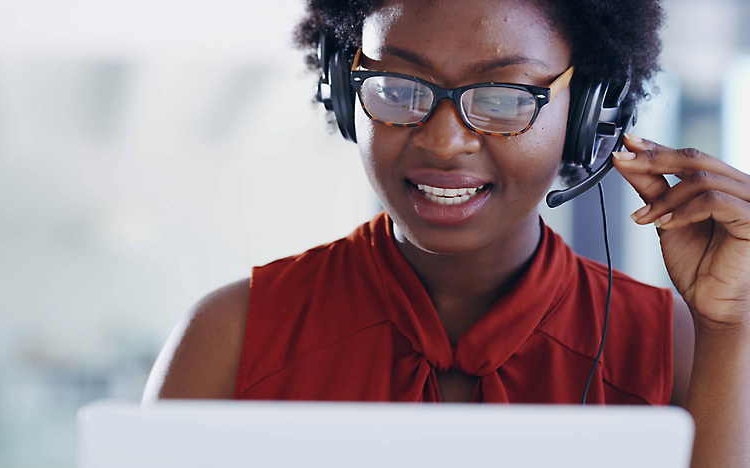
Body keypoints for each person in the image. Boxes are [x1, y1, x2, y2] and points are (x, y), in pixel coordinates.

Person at [143, 0, 750, 466]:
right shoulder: (231, 338)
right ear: (345, 89)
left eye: (503, 97)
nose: (442, 139)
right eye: (399, 89)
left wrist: (728, 327)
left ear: (589, 112)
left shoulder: (673, 345)